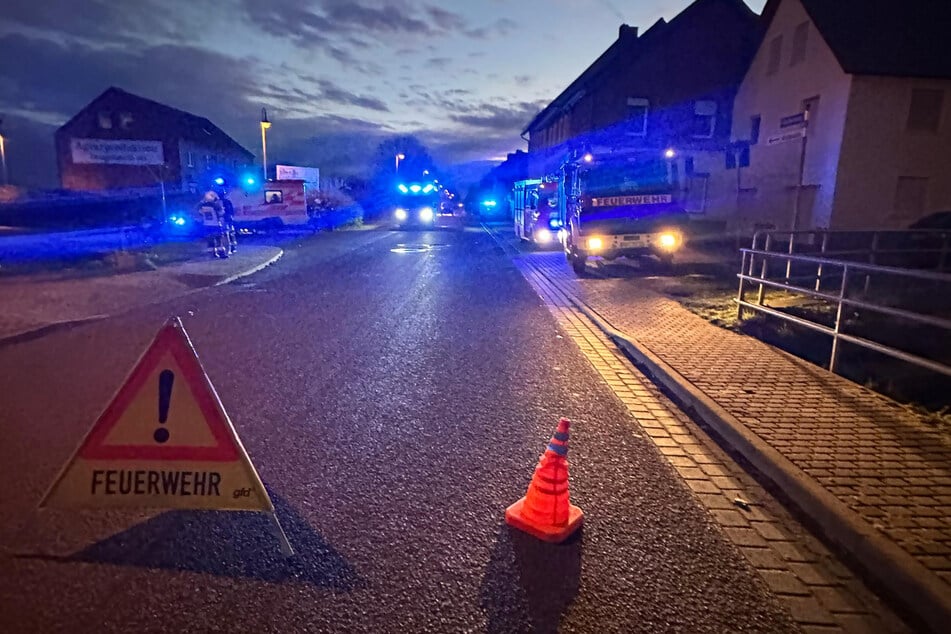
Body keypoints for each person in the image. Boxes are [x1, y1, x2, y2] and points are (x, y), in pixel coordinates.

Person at [197, 190, 229, 258]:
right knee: (219, 239)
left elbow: (199, 212)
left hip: (207, 224)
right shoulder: (215, 205)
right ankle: (221, 253)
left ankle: (212, 254)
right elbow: (221, 213)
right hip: (216, 224)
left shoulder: (202, 206)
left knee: (210, 240)